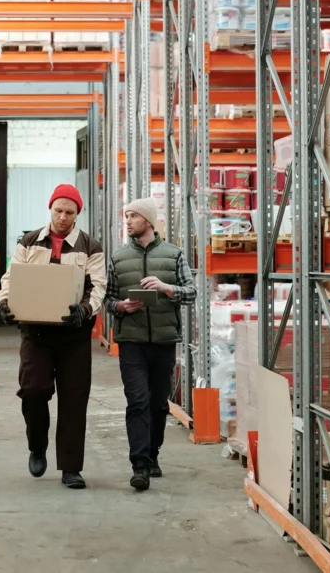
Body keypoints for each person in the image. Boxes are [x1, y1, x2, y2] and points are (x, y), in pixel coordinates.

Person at [0, 184, 107, 490]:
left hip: (73, 335)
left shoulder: (90, 246)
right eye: (58, 210)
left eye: (69, 212)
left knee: (73, 400)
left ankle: (71, 468)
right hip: (36, 333)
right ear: (50, 209)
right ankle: (37, 445)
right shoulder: (30, 241)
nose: (62, 217)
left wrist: (85, 311)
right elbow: (11, 277)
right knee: (33, 390)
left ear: (77, 214)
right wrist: (4, 303)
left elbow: (98, 286)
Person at [104, 197, 196, 491]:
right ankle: (140, 465)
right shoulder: (118, 258)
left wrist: (167, 288)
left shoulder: (174, 255)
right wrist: (121, 307)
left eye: (132, 216)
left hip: (164, 341)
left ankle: (153, 453)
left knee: (158, 404)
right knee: (138, 402)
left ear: (148, 220)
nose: (127, 220)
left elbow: (191, 293)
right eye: (126, 216)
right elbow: (108, 299)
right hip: (131, 341)